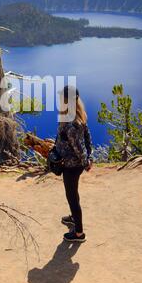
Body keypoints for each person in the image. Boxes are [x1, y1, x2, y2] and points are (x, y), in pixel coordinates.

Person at [56, 85, 93, 242]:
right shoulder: (78, 116)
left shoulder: (71, 122)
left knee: (72, 197)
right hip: (72, 164)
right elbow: (87, 138)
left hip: (72, 166)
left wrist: (86, 162)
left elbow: (79, 147)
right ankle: (73, 218)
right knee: (73, 195)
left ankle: (79, 234)